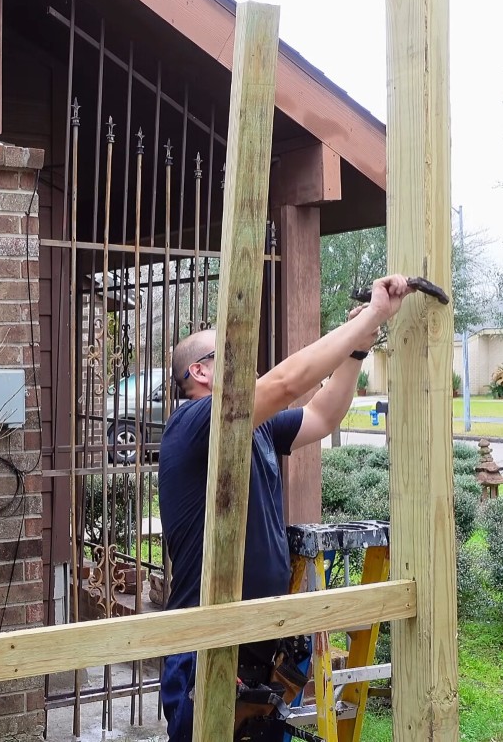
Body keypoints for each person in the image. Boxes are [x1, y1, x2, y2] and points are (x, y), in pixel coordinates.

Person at [156, 274, 416, 741]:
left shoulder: (257, 428)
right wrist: (370, 318)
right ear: (200, 371)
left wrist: (356, 350)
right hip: (208, 645)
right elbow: (285, 382)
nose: (250, 366)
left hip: (261, 644)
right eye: (232, 356)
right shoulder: (193, 425)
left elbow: (322, 415)